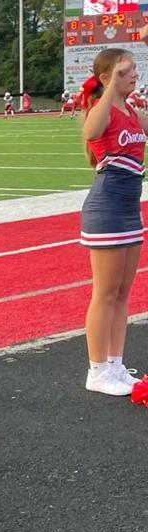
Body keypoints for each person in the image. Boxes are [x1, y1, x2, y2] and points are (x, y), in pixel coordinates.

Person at [80, 29, 148, 395]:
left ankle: (116, 366)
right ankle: (96, 370)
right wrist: (109, 89)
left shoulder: (134, 112)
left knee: (123, 293)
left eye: (135, 69)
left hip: (129, 210)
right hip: (106, 208)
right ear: (106, 78)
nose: (134, 75)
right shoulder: (100, 109)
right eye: (125, 71)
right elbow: (91, 132)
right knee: (104, 293)